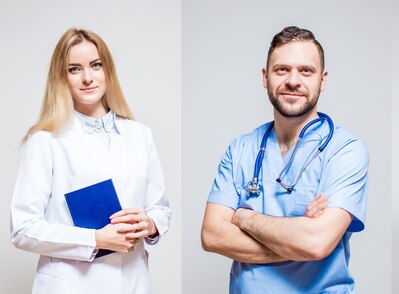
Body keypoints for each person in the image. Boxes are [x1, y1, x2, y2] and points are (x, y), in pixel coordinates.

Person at [201, 26, 369, 293]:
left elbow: (316, 243)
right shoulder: (240, 149)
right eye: (282, 70)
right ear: (265, 77)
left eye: (306, 71)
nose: (293, 80)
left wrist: (244, 218)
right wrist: (296, 240)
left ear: (322, 80)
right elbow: (211, 235)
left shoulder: (345, 150)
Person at [10, 28, 170, 294]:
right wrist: (93, 239)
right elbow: (23, 228)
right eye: (74, 69)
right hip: (71, 285)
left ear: (108, 70)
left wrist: (151, 224)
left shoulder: (140, 135)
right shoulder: (44, 140)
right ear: (61, 78)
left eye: (96, 65)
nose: (87, 78)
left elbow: (161, 208)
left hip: (132, 281)